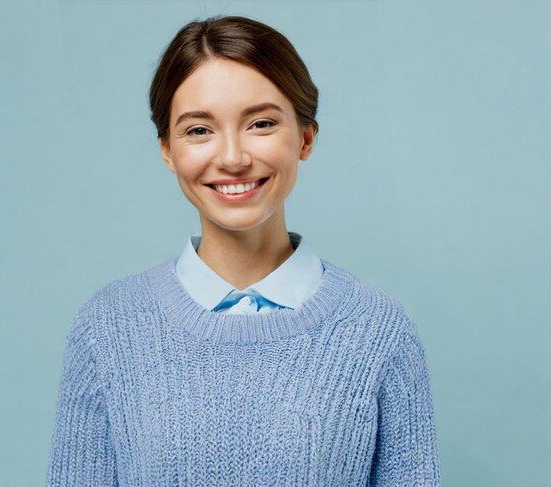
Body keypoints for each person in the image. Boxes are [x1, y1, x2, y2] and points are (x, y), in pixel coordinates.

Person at [46, 15, 441, 486]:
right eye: (198, 130)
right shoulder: (106, 329)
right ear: (167, 150)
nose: (232, 157)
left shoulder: (379, 331)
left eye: (261, 123)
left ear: (305, 138)